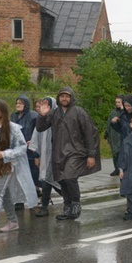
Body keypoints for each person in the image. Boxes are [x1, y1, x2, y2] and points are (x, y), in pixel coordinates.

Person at [36, 87, 101, 221]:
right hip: (58, 153)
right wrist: (42, 115)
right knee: (62, 179)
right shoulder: (54, 113)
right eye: (62, 96)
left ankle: (76, 204)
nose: (64, 99)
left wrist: (91, 154)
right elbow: (40, 128)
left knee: (70, 176)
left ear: (71, 98)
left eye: (67, 96)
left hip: (75, 152)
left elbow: (89, 133)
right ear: (59, 98)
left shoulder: (79, 112)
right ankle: (67, 207)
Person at [0, 99, 39, 232]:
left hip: (7, 166)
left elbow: (22, 148)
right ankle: (13, 221)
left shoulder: (12, 128)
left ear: (3, 111)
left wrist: (4, 154)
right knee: (5, 193)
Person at [29, 97, 62, 217]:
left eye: (48, 104)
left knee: (57, 181)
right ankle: (44, 207)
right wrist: (36, 155)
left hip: (58, 156)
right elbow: (36, 137)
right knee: (46, 180)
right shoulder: (42, 119)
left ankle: (71, 201)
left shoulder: (58, 118)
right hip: (44, 155)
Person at [10, 93, 40, 204]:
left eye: (20, 103)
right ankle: (19, 201)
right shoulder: (13, 116)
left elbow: (38, 131)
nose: (18, 105)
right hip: (17, 149)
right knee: (18, 175)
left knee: (33, 173)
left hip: (30, 149)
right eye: (17, 103)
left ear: (26, 104)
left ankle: (37, 193)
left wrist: (33, 141)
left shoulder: (33, 116)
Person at [105, 95, 124, 176]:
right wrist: (106, 132)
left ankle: (121, 168)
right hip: (113, 135)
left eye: (119, 102)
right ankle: (116, 168)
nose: (117, 104)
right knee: (114, 153)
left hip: (121, 136)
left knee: (120, 152)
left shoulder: (124, 113)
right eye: (116, 102)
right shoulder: (113, 112)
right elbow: (109, 122)